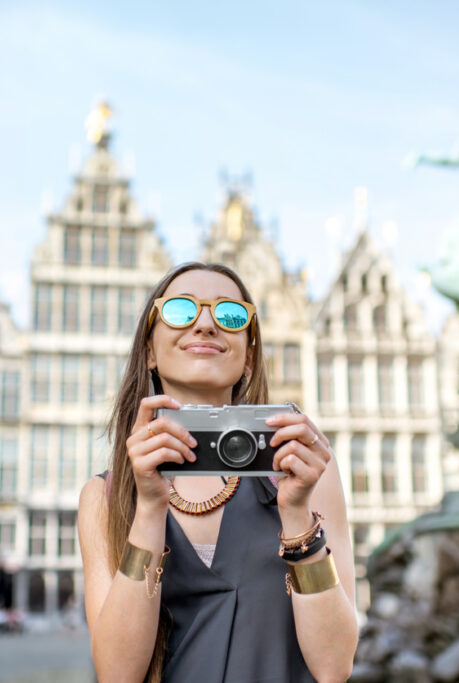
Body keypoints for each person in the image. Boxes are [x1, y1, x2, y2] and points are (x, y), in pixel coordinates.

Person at [79, 262, 358, 682]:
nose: (205, 324)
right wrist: (151, 508)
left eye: (230, 315)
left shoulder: (304, 466)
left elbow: (335, 667)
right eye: (179, 310)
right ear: (150, 351)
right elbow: (117, 674)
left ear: (249, 357)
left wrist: (298, 515)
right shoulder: (105, 498)